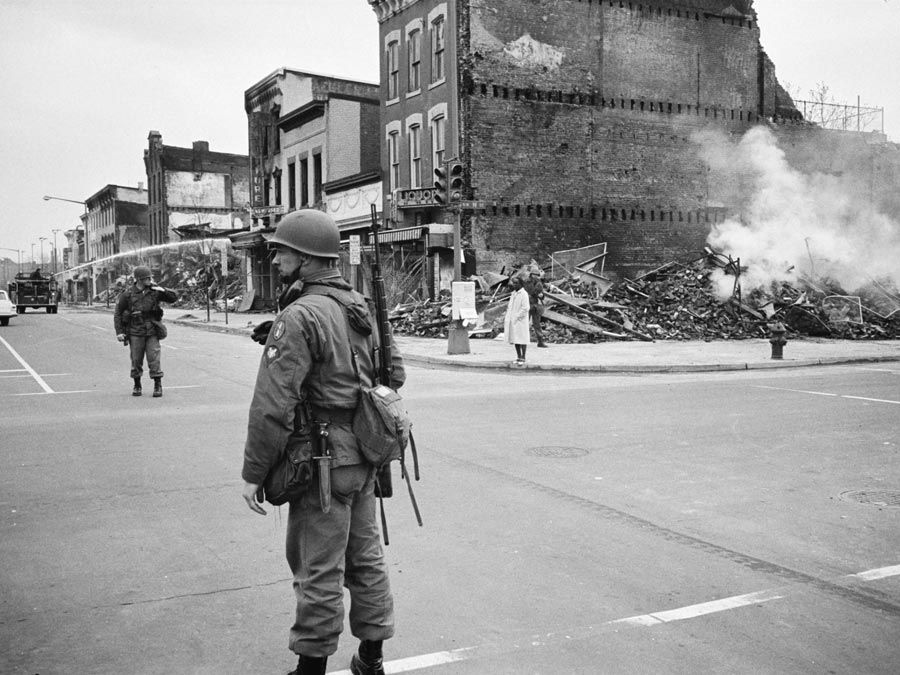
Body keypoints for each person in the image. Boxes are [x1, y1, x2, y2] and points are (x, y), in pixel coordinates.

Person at [240, 209, 406, 675]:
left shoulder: (299, 315)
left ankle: (310, 670)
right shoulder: (360, 306)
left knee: (318, 569)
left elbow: (272, 406)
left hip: (324, 461)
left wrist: (254, 474)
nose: (275, 259)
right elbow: (395, 375)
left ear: (308, 258)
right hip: (366, 457)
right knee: (366, 558)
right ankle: (370, 659)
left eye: (282, 250)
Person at [113, 266, 177, 397]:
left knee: (154, 358)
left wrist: (162, 289)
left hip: (152, 330)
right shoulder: (128, 294)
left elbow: (173, 298)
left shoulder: (154, 291)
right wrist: (119, 332)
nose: (150, 280)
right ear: (139, 279)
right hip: (135, 330)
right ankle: (137, 385)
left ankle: (157, 385)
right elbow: (118, 313)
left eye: (150, 277)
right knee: (136, 360)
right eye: (147, 278)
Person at [504, 274, 530, 366]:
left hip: (520, 320)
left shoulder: (524, 294)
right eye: (513, 283)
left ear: (521, 284)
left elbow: (525, 308)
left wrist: (517, 316)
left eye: (516, 283)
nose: (514, 285)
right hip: (513, 320)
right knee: (516, 339)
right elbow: (510, 306)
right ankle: (518, 356)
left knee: (522, 339)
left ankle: (523, 357)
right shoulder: (513, 293)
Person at [522, 265, 548, 347]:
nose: (536, 277)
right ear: (531, 274)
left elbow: (541, 294)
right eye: (535, 275)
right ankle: (522, 340)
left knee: (537, 324)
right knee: (524, 323)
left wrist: (541, 295)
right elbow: (529, 292)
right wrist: (537, 294)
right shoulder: (527, 282)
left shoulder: (538, 283)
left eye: (537, 275)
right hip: (527, 304)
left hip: (535, 305)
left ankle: (540, 341)